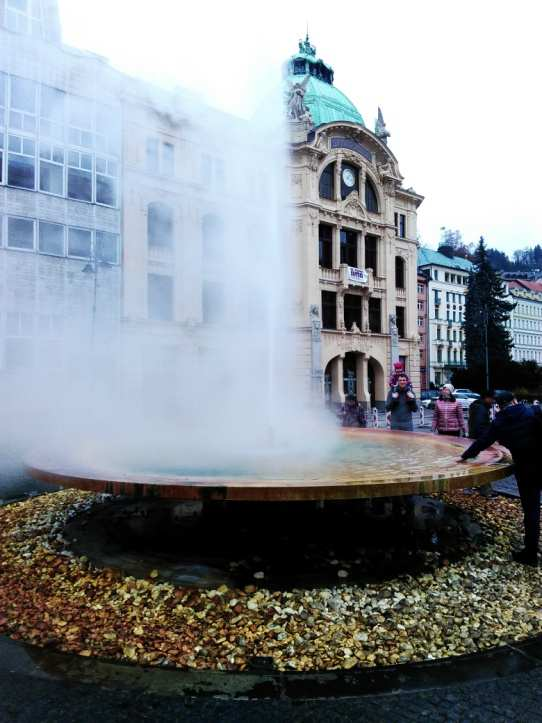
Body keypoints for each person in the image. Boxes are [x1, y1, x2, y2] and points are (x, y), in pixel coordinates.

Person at [458, 391, 542, 566]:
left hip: (526, 469)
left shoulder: (500, 422)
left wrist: (465, 456)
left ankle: (530, 553)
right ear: (514, 400)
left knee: (531, 510)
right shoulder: (533, 411)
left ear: (498, 405)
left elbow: (483, 441)